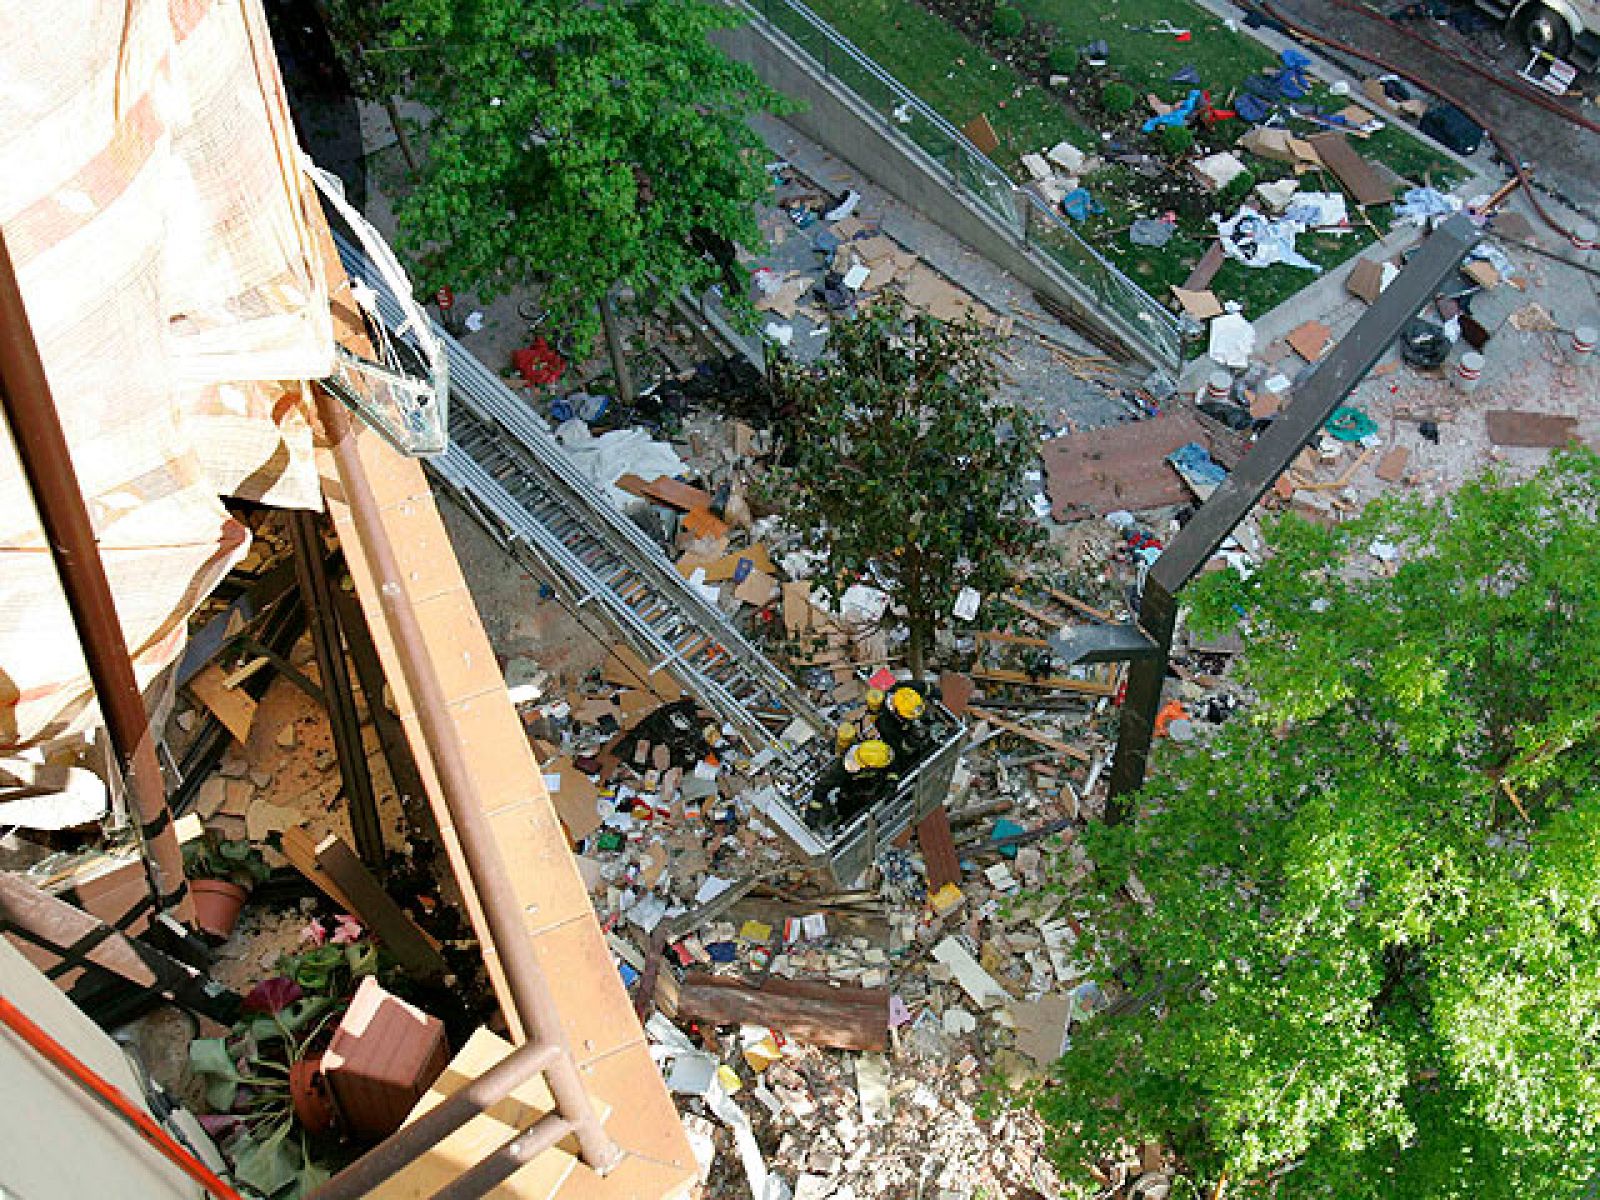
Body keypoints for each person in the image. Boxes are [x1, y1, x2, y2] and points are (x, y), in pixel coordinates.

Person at [807, 739, 897, 831]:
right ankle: (839, 831)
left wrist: (892, 781)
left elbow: (891, 765)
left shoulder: (879, 753)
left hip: (873, 791)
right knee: (847, 816)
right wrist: (813, 812)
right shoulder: (842, 768)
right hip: (850, 798)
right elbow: (823, 787)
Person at [877, 681, 931, 766]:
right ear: (897, 712)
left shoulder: (907, 688)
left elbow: (928, 688)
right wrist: (912, 741)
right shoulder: (886, 724)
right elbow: (899, 750)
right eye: (910, 717)